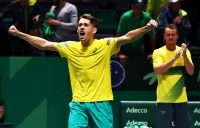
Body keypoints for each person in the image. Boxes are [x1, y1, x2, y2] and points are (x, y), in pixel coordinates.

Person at [8, 14, 158, 127]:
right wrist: (19, 34)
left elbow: (127, 37)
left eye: (85, 25)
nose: (81, 27)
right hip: (78, 103)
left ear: (94, 29)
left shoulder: (105, 45)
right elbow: (45, 44)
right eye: (79, 24)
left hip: (100, 102)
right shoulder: (70, 47)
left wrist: (147, 27)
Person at [152, 24, 194, 128]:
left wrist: (184, 56)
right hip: (164, 100)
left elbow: (191, 71)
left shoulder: (185, 51)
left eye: (173, 34)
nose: (171, 37)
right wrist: (174, 59)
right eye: (168, 34)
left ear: (177, 36)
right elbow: (158, 70)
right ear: (164, 36)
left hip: (181, 100)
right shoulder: (158, 52)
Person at [116, 0, 156, 64]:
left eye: (141, 8)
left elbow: (152, 36)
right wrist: (120, 53)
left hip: (139, 51)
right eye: (137, 7)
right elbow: (118, 35)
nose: (139, 10)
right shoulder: (125, 17)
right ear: (132, 7)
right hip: (124, 51)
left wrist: (152, 53)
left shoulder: (146, 17)